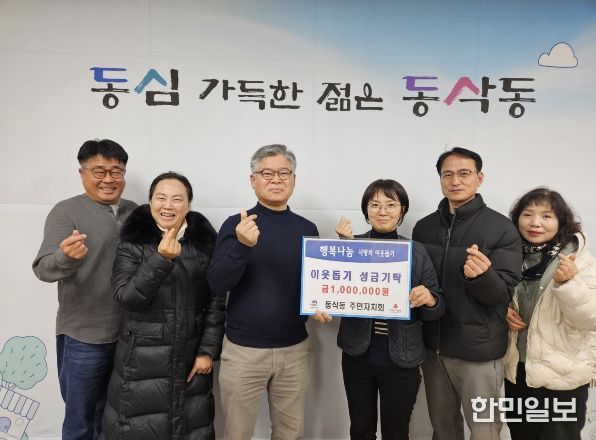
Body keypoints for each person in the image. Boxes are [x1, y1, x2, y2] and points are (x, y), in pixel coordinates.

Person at [315, 179, 444, 440]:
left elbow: (436, 308)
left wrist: (430, 299)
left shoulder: (416, 252)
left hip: (402, 356)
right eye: (375, 205)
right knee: (360, 430)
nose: (382, 211)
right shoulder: (350, 246)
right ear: (366, 210)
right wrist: (320, 304)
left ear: (402, 210)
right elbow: (326, 290)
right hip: (357, 354)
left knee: (396, 432)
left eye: (390, 204)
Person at [99, 172, 225, 440]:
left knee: (189, 428)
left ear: (188, 205)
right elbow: (126, 298)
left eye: (177, 199)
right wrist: (160, 260)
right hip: (141, 361)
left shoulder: (203, 244)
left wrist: (207, 350)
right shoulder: (132, 243)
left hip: (191, 359)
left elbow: (216, 301)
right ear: (150, 202)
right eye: (161, 198)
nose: (168, 206)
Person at [206, 144, 318, 440]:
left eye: (284, 173)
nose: (276, 179)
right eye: (267, 173)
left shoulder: (307, 229)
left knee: (290, 434)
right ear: (252, 180)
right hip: (243, 351)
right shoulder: (237, 224)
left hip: (294, 350)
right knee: (237, 434)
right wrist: (242, 246)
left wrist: (321, 303)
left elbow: (315, 285)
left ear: (294, 179)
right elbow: (217, 284)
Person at [412, 147, 522, 440]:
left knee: (485, 431)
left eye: (464, 173)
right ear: (440, 179)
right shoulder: (424, 228)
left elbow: (501, 295)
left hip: (478, 353)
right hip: (434, 348)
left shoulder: (501, 228)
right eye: (447, 174)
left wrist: (482, 277)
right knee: (443, 429)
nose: (455, 181)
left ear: (479, 178)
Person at [32, 139, 136, 440]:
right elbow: (43, 268)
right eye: (99, 171)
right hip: (84, 337)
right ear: (82, 173)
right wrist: (65, 257)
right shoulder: (66, 212)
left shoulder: (137, 212)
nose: (108, 179)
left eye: (116, 171)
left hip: (130, 336)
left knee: (118, 420)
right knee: (81, 421)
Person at [503, 188, 596, 440]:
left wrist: (569, 285)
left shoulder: (579, 260)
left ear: (561, 221)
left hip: (562, 374)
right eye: (527, 214)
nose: (535, 223)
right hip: (518, 371)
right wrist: (502, 312)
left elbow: (592, 318)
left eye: (546, 216)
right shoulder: (510, 255)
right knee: (521, 434)